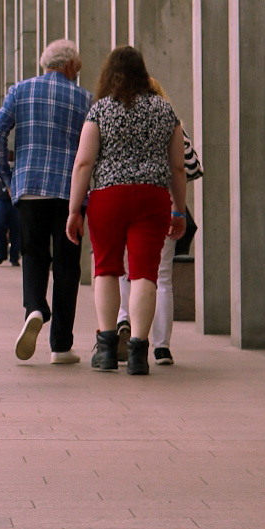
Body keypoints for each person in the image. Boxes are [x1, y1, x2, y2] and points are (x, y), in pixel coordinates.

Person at [66, 45, 186, 377]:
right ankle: (137, 353)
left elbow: (84, 162)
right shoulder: (165, 111)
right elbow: (178, 167)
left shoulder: (100, 110)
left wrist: (75, 209)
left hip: (108, 197)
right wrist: (179, 210)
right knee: (145, 274)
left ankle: (106, 350)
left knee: (106, 269)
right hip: (153, 197)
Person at [0, 39, 91, 365]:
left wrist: (8, 178)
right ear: (70, 66)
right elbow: (90, 152)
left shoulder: (20, 90)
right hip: (68, 193)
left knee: (32, 255)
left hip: (29, 188)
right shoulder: (83, 98)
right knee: (67, 267)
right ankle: (60, 346)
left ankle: (34, 307)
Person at [115, 87, 203, 365]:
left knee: (125, 269)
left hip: (124, 201)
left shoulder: (116, 121)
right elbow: (190, 166)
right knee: (161, 277)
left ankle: (123, 321)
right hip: (162, 204)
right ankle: (162, 347)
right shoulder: (169, 122)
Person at [0, 170, 21, 267]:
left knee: (16, 229)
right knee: (0, 225)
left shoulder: (18, 170)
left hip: (15, 201)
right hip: (2, 201)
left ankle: (14, 257)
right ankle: (1, 255)